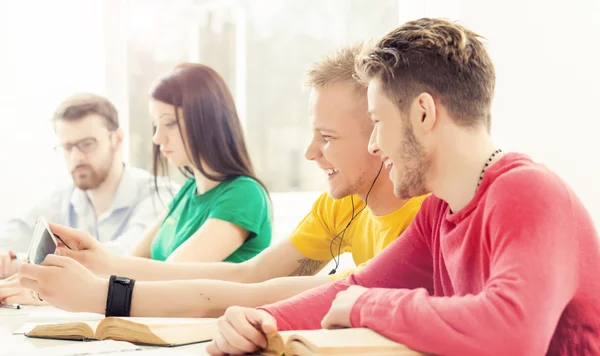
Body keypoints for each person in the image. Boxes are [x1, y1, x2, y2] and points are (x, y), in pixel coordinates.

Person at [202, 18, 600, 356]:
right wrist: (263, 320)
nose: (374, 143)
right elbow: (357, 286)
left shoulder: (530, 193)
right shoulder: (439, 212)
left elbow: (513, 333)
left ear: (423, 113)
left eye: (377, 120)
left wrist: (367, 306)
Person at [16, 44, 427, 317]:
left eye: (327, 137)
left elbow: (255, 294)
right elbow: (249, 277)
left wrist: (102, 293)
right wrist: (102, 263)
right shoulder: (343, 203)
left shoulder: (423, 224)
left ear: (378, 132)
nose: (310, 153)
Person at [3, 63, 273, 305]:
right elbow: (124, 264)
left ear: (206, 123)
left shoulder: (244, 194)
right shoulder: (188, 193)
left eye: (169, 124)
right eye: (155, 125)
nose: (157, 138)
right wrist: (43, 285)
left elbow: (171, 277)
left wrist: (52, 293)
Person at [0, 93, 176, 279]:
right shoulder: (62, 197)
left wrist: (19, 263)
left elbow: (122, 259)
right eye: (67, 148)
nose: (76, 158)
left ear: (116, 139)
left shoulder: (158, 194)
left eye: (87, 144)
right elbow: (13, 233)